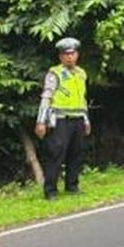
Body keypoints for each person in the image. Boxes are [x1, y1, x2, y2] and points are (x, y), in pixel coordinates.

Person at [35, 37, 91, 199]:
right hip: (60, 120)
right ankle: (51, 190)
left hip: (77, 119)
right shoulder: (55, 73)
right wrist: (41, 121)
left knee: (76, 154)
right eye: (66, 54)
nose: (69, 57)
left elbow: (83, 98)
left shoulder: (81, 74)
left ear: (77, 55)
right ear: (60, 57)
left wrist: (86, 120)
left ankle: (72, 186)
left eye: (72, 53)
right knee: (55, 155)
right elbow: (46, 97)